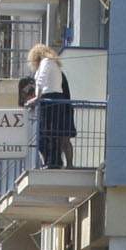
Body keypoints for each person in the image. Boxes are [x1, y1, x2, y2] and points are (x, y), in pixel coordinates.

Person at [30, 42, 75, 171]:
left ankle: (53, 163)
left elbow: (41, 81)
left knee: (49, 132)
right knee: (55, 133)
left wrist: (37, 98)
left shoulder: (46, 62)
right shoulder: (54, 64)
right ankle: (56, 162)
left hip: (50, 99)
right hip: (59, 101)